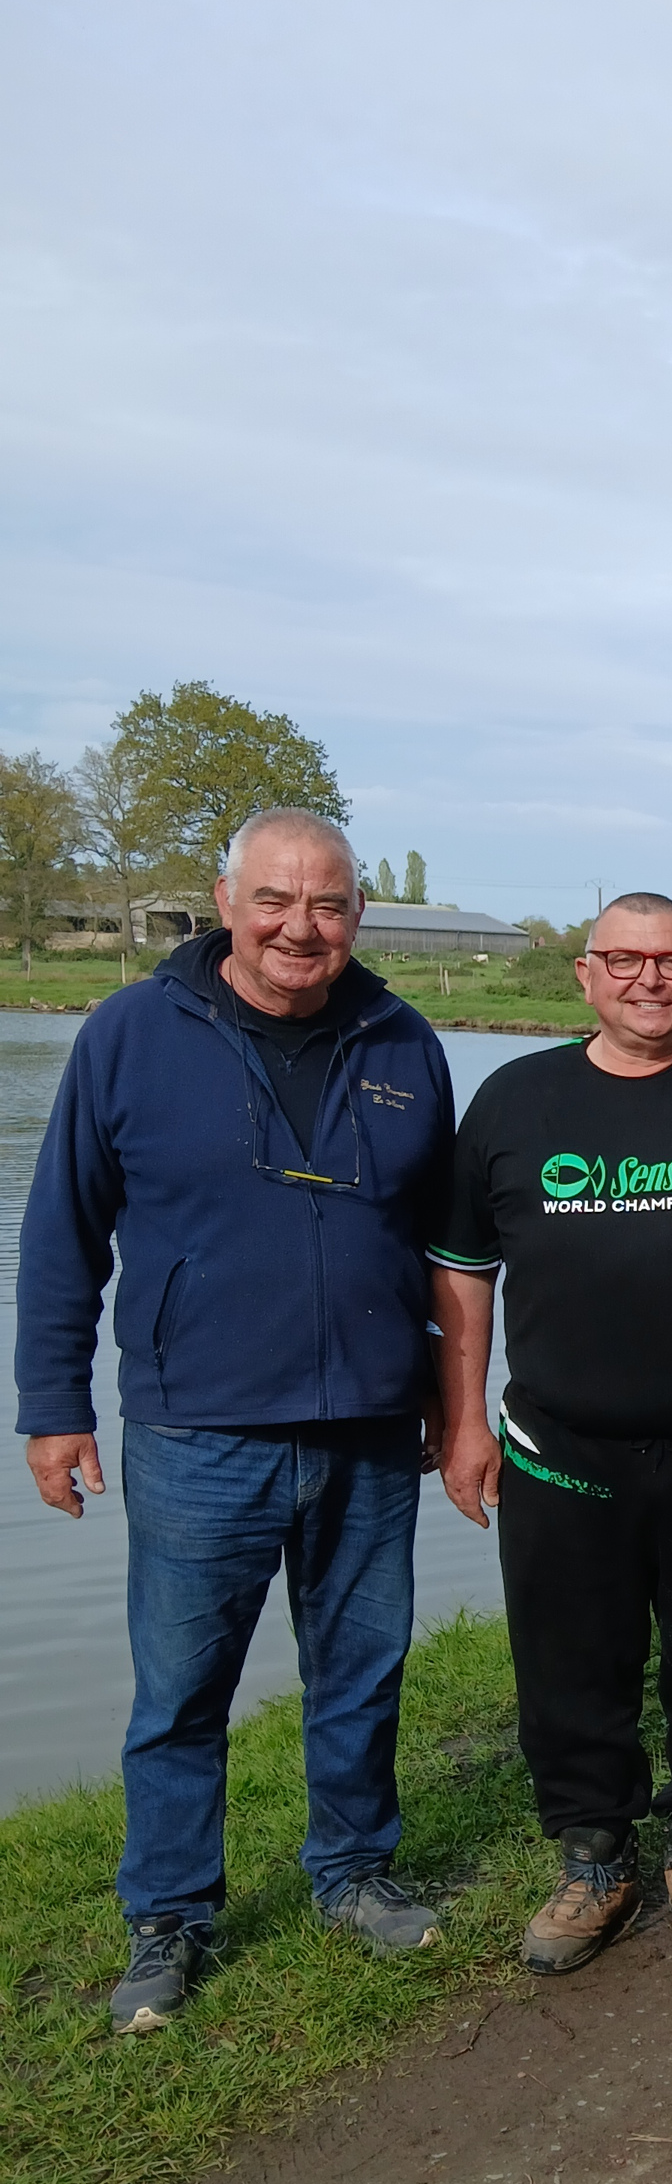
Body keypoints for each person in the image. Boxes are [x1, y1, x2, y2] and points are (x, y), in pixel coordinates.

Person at [15, 809, 457, 2035]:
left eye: (327, 904)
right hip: (198, 1431)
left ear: (356, 915)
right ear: (226, 902)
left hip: (369, 1424)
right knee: (181, 1692)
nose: (299, 927)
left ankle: (354, 1871)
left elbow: (444, 1245)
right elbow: (62, 1233)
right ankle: (168, 1917)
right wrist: (52, 1407)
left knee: (361, 1670)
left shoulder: (405, 1041)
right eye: (275, 899)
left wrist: (442, 1388)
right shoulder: (128, 1035)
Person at [428, 894, 672, 1973]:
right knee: (568, 1656)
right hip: (561, 1445)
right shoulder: (515, 1098)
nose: (650, 980)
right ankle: (593, 1851)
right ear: (584, 974)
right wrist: (464, 1421)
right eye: (626, 960)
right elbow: (462, 1271)